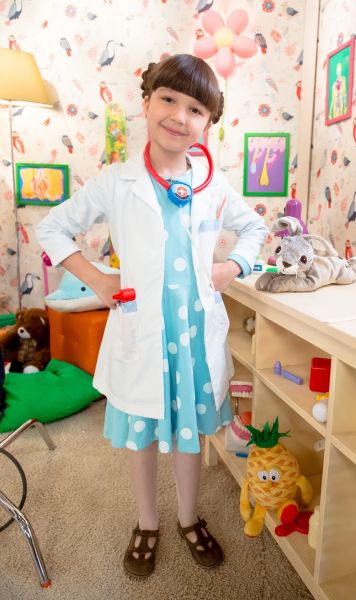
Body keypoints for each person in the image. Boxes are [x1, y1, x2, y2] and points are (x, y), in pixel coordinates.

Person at [36, 53, 268, 578]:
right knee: (140, 433)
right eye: (168, 99)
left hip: (193, 335)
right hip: (143, 335)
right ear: (146, 103)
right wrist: (98, 280)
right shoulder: (116, 182)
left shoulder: (212, 181)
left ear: (208, 123)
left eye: (195, 109)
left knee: (190, 432)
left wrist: (232, 267)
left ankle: (188, 517)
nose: (179, 116)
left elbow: (254, 228)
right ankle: (147, 521)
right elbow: (52, 228)